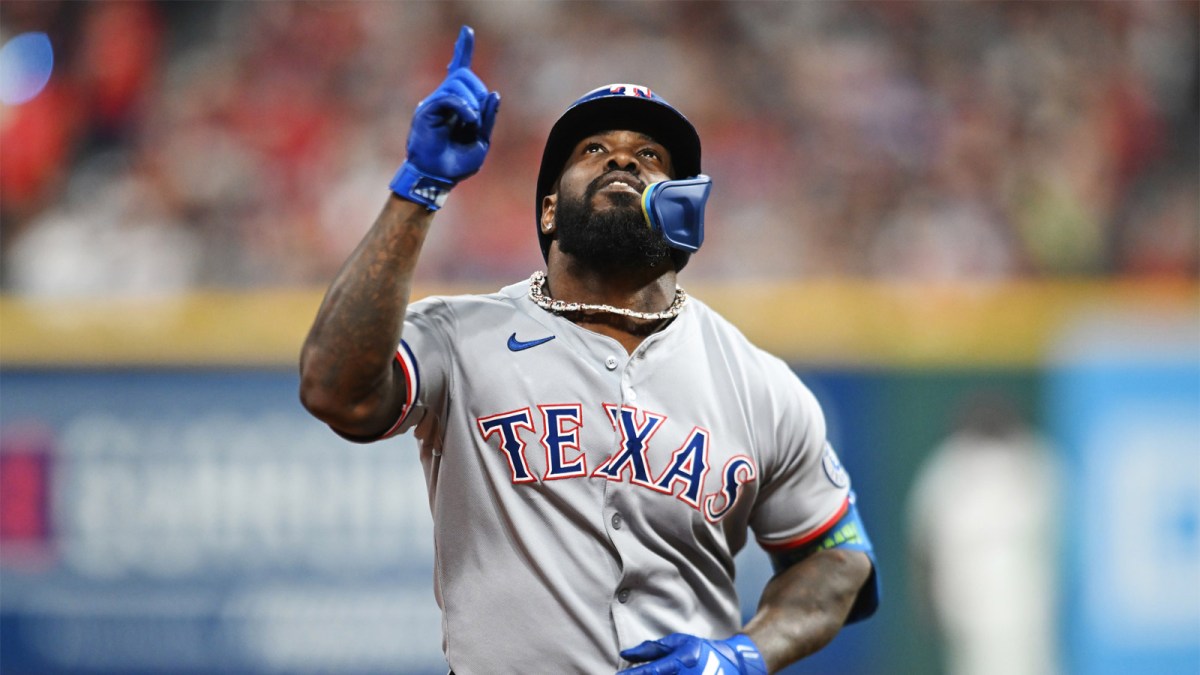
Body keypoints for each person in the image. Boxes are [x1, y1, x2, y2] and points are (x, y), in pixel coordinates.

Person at [300, 26, 878, 675]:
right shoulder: (458, 337)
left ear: (685, 208)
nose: (623, 160)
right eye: (594, 149)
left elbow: (839, 556)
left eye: (652, 156)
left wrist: (744, 653)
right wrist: (418, 187)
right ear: (549, 210)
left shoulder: (758, 383)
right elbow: (334, 390)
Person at [907, 391, 1061, 675]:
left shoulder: (1035, 462)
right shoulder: (948, 467)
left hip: (1022, 605)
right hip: (970, 604)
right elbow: (924, 544)